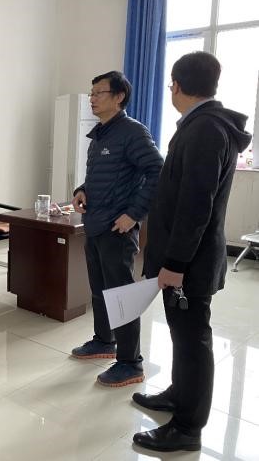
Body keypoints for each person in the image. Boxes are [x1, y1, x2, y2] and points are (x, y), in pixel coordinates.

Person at [133, 52, 251, 452]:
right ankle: (178, 395)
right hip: (187, 257)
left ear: (178, 86)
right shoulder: (205, 125)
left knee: (193, 340)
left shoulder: (205, 130)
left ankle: (187, 428)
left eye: (171, 85)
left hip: (189, 262)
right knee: (183, 336)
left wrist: (175, 264)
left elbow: (196, 205)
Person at [70, 71, 163, 387]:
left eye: (99, 92)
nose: (92, 98)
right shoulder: (100, 135)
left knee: (121, 296)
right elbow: (100, 177)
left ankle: (130, 363)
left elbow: (157, 172)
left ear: (119, 96)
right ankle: (103, 340)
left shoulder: (132, 132)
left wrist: (134, 214)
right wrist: (82, 190)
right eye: (91, 92)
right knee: (99, 289)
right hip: (96, 223)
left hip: (118, 229)